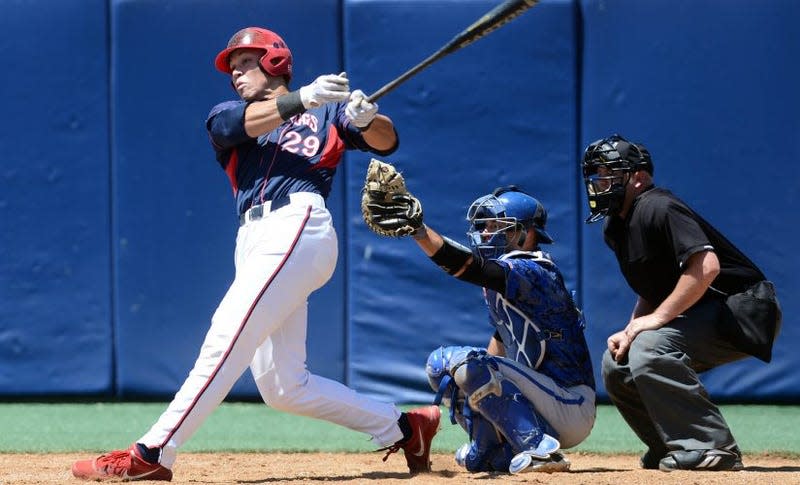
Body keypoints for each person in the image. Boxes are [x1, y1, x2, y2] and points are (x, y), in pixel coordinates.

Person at [71, 26, 440, 481]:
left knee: (225, 336)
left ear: (274, 62)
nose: (237, 74)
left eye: (247, 62)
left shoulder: (327, 117)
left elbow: (388, 141)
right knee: (284, 386)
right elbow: (232, 127)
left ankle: (152, 454)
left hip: (298, 222)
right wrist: (304, 97)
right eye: (233, 67)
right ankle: (405, 425)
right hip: (254, 239)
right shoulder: (233, 115)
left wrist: (366, 120)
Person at [581, 133, 780, 472]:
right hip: (703, 310)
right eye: (596, 175)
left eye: (609, 174)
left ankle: (711, 447)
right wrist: (632, 328)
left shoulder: (659, 206)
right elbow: (653, 287)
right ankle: (670, 445)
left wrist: (654, 321)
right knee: (618, 362)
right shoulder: (616, 227)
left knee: (651, 348)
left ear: (638, 177)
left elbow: (706, 267)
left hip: (742, 309)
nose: (600, 183)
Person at [399, 185, 596, 474]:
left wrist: (420, 233)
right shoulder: (508, 277)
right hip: (543, 399)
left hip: (569, 403)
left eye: (498, 226)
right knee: (443, 368)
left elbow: (471, 268)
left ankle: (539, 449)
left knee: (466, 362)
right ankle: (492, 448)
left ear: (526, 233)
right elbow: (499, 342)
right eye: (486, 226)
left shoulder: (535, 269)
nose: (487, 233)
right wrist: (478, 391)